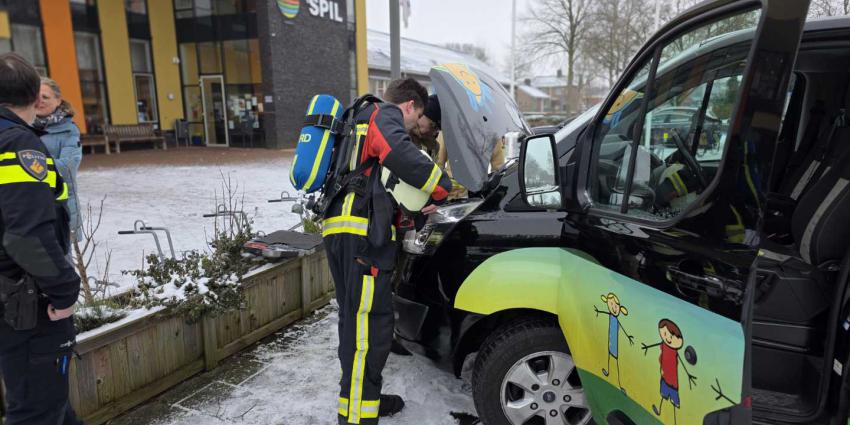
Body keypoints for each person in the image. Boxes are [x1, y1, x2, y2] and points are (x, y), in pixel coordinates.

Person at [323, 78, 452, 424]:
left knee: (354, 323)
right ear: (409, 106)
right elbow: (400, 154)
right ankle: (357, 417)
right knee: (371, 327)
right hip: (362, 238)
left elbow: (378, 182)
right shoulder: (383, 115)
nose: (413, 127)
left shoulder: (359, 121)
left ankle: (363, 400)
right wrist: (442, 186)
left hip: (343, 231)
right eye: (417, 118)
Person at [0, 53, 83, 425]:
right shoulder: (17, 145)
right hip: (28, 303)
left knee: (51, 406)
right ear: (35, 99)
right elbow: (26, 236)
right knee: (37, 410)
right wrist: (65, 291)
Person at [415, 95, 506, 199]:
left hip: (475, 194)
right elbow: (438, 162)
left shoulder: (492, 135)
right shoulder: (450, 129)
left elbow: (498, 169)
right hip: (451, 194)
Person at [34, 78, 82, 242]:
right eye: (35, 96)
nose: (39, 101)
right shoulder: (22, 127)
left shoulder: (69, 130)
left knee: (61, 262)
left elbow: (67, 167)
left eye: (45, 97)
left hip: (60, 206)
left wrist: (28, 163)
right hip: (29, 206)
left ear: (58, 100)